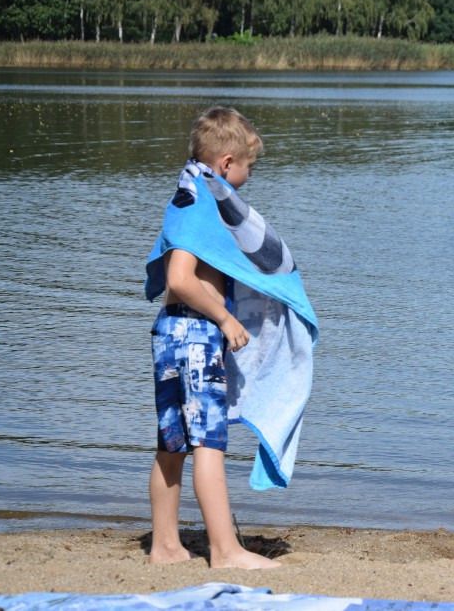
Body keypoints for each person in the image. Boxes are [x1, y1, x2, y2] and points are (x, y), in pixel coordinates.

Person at [145, 107, 317, 569]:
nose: (249, 175)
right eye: (248, 166)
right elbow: (179, 278)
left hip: (172, 331)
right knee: (209, 443)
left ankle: (165, 546)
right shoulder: (199, 204)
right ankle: (224, 551)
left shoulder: (187, 195)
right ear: (225, 163)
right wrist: (224, 318)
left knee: (172, 444)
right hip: (195, 333)